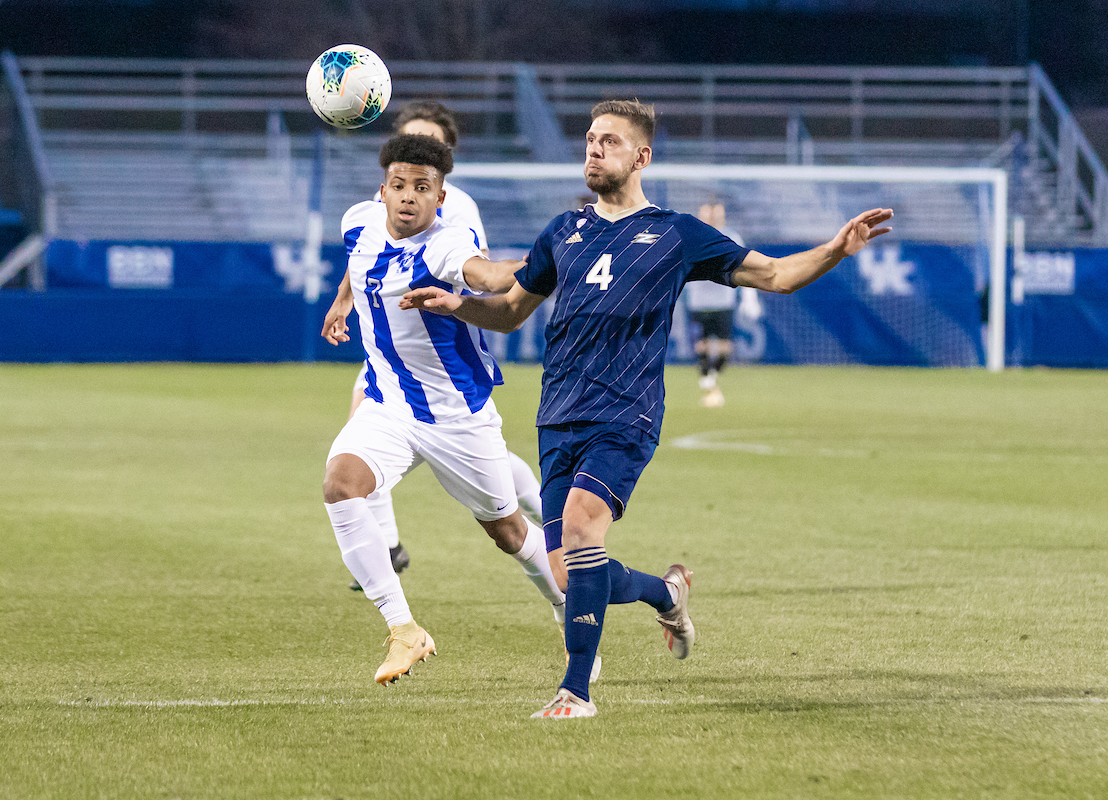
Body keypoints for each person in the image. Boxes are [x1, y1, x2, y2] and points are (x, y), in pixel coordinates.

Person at [401, 100, 893, 718]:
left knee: (581, 529)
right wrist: (459, 306)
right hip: (559, 413)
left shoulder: (677, 234)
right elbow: (508, 312)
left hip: (626, 413)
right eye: (589, 139)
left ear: (642, 156)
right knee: (568, 572)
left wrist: (836, 249)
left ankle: (575, 691)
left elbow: (775, 275)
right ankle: (666, 593)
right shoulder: (562, 232)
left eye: (609, 140)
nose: (593, 148)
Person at [320, 133, 567, 686]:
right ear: (383, 190)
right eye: (399, 185)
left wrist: (554, 258)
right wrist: (343, 301)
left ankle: (565, 605)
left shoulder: (446, 245)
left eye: (422, 187)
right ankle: (404, 629)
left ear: (440, 197)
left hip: (457, 416)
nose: (408, 196)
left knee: (508, 533)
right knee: (341, 485)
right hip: (388, 403)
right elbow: (357, 262)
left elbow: (491, 276)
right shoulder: (358, 222)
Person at [683, 202, 761, 407]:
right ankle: (707, 381)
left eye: (716, 215)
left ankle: (712, 377)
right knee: (701, 345)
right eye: (707, 215)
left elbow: (745, 267)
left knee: (725, 348)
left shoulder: (732, 238)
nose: (712, 218)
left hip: (723, 302)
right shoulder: (692, 237)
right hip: (698, 303)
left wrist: (750, 297)